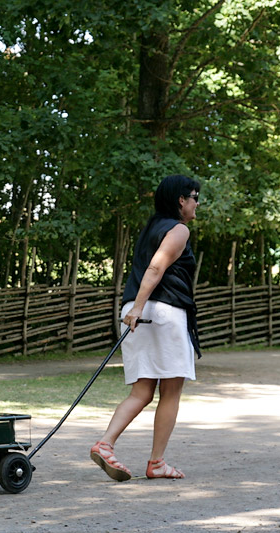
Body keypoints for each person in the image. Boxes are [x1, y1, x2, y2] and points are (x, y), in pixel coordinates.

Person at [90, 174, 202, 482]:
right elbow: (156, 268)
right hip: (162, 312)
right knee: (171, 390)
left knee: (142, 390)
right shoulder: (179, 229)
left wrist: (136, 307)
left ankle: (106, 444)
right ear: (182, 200)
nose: (197, 204)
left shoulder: (151, 228)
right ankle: (157, 462)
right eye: (195, 198)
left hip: (135, 310)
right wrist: (141, 306)